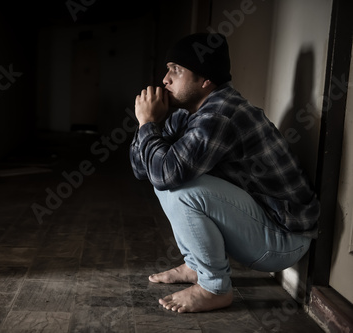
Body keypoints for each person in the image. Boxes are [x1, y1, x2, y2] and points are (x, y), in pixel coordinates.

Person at [130, 33, 320, 313]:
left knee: (180, 186)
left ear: (206, 79)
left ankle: (214, 287)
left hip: (284, 240)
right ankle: (197, 267)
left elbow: (165, 174)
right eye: (168, 69)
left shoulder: (219, 115)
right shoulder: (188, 113)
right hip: (263, 227)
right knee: (168, 174)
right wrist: (149, 125)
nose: (165, 79)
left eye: (176, 70)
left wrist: (147, 124)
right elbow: (142, 169)